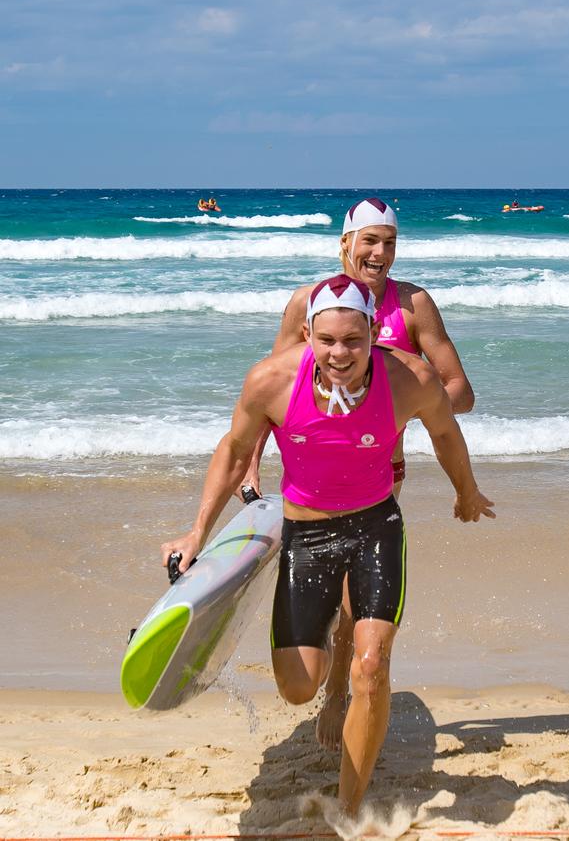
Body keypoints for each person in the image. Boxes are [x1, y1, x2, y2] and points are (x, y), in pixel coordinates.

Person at [161, 274, 495, 817]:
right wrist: (197, 531)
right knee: (297, 687)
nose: (341, 353)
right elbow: (233, 450)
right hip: (306, 534)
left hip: (375, 529)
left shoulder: (408, 377)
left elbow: (445, 433)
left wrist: (467, 491)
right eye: (328, 340)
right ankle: (328, 677)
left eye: (354, 340)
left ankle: (350, 809)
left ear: (373, 332)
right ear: (309, 334)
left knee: (372, 665)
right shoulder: (270, 381)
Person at [241, 197, 474, 749]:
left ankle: (339, 695)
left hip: (378, 466)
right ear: (345, 244)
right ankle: (317, 660)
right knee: (328, 586)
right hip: (311, 467)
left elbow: (459, 390)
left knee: (356, 600)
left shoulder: (413, 305)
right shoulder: (309, 302)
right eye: (370, 241)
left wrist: (407, 396)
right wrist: (249, 470)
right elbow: (268, 392)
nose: (380, 254)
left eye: (390, 243)